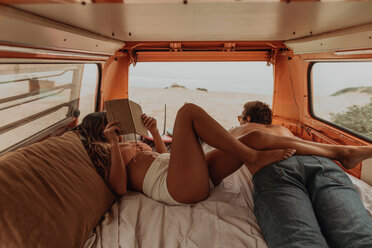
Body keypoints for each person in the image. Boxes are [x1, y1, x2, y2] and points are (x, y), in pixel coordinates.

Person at [75, 103, 372, 209]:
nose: (119, 130)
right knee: (188, 111)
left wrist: (152, 134)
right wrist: (114, 143)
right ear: (99, 132)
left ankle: (341, 152)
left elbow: (162, 157)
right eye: (110, 125)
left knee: (252, 136)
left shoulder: (133, 144)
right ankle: (252, 157)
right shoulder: (104, 153)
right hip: (175, 189)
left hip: (177, 173)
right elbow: (118, 187)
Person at [226, 100, 372, 248]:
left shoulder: (240, 130)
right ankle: (343, 153)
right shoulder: (282, 130)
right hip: (319, 160)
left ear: (247, 119)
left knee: (301, 242)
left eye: (240, 118)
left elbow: (220, 147)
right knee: (360, 238)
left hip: (277, 166)